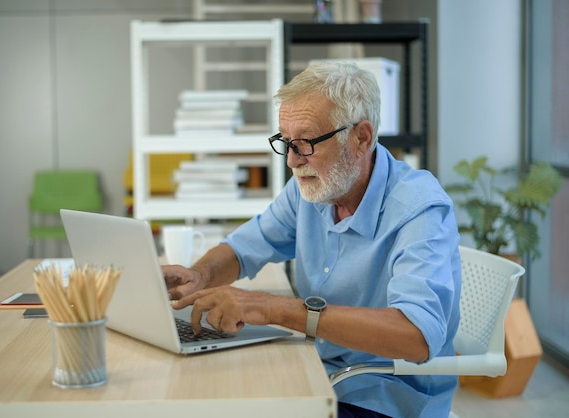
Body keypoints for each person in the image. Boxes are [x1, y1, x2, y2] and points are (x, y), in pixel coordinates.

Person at [163, 61, 461, 418]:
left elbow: (415, 336)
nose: (291, 160)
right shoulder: (314, 188)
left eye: (305, 143)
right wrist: (201, 275)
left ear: (361, 137)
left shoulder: (419, 208)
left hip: (385, 394)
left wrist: (272, 308)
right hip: (316, 369)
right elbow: (244, 247)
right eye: (286, 142)